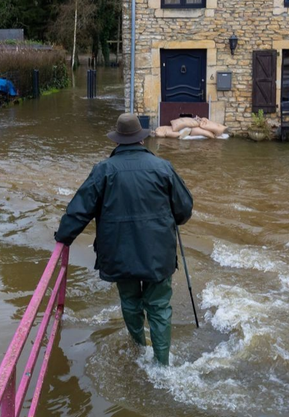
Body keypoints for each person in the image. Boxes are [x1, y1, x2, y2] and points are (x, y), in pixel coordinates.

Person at [54, 112, 193, 365]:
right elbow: (184, 210)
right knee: (159, 306)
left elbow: (79, 210)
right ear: (141, 140)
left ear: (117, 141)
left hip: (120, 253)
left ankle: (139, 349)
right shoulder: (163, 168)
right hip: (158, 254)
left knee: (130, 301)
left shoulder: (103, 171)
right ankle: (162, 365)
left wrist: (63, 237)